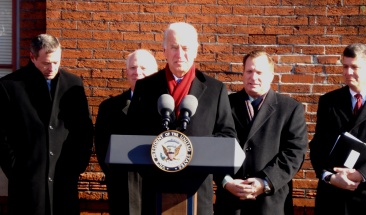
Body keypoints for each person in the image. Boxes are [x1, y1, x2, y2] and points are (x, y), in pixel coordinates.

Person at [126, 22, 236, 215]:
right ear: (164, 51)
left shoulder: (215, 90)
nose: (180, 54)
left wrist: (189, 147)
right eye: (174, 48)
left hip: (197, 193)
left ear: (195, 51)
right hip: (155, 192)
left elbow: (227, 136)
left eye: (185, 48)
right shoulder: (145, 88)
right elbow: (132, 134)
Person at [0, 34, 93, 215]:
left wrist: (77, 165)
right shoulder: (9, 86)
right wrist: (16, 169)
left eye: (56, 62)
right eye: (46, 63)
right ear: (32, 57)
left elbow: (84, 130)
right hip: (27, 185)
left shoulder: (73, 84)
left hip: (64, 180)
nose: (52, 68)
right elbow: (2, 135)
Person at [309, 43, 366, 215]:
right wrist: (329, 177)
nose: (347, 72)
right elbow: (318, 147)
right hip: (332, 196)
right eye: (345, 66)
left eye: (354, 67)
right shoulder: (329, 102)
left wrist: (361, 174)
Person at [214, 50, 308, 215]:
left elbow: (294, 153)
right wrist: (226, 181)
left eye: (259, 72)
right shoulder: (226, 105)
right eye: (249, 71)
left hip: (270, 203)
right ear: (243, 73)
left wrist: (265, 182)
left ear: (271, 76)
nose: (253, 77)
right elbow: (214, 146)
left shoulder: (290, 109)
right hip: (231, 203)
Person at [95, 49, 158, 215]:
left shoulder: (166, 107)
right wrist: (116, 177)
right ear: (126, 72)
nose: (138, 72)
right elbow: (102, 148)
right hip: (122, 189)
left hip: (158, 188)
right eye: (133, 68)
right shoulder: (109, 108)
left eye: (144, 68)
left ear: (155, 73)